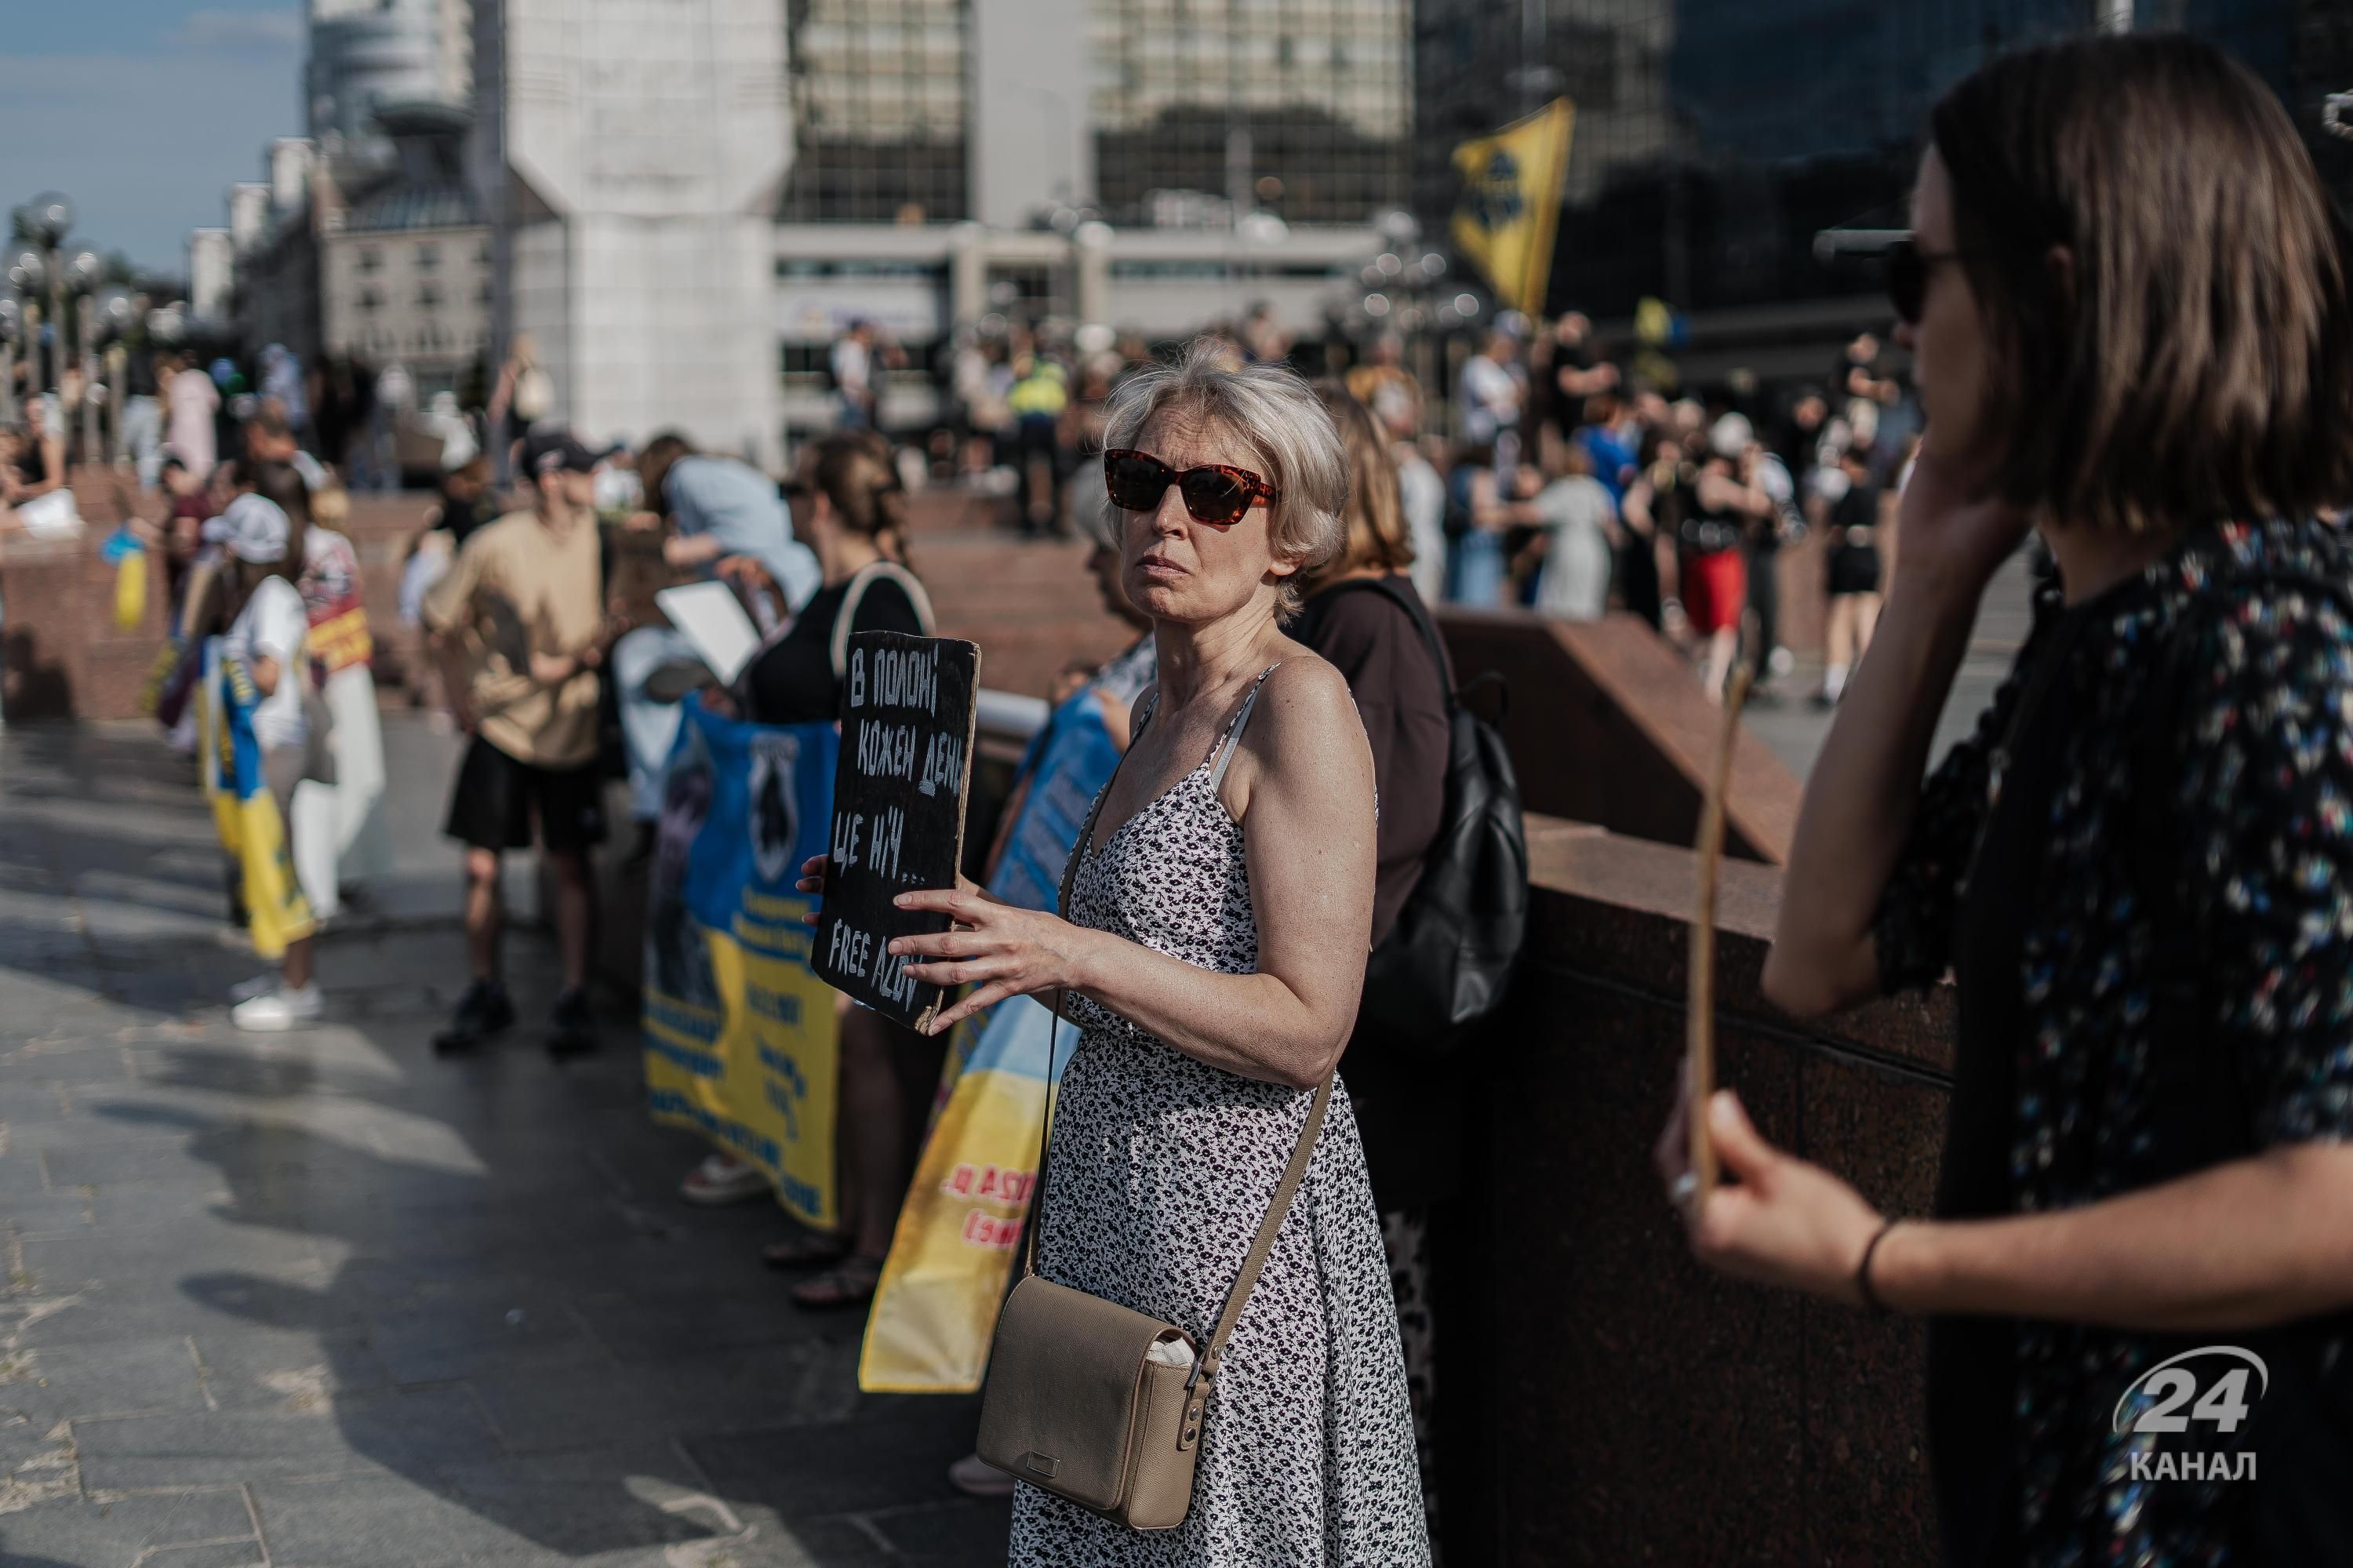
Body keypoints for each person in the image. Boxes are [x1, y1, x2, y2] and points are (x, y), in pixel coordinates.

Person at [1658, 35, 2353, 1567]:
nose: (1897, 323)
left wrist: (1884, 1259)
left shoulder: (2267, 643)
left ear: (2050, 298)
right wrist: (1925, 586)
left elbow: (2339, 1193)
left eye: (1919, 274)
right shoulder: (2096, 640)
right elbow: (1820, 954)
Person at [827, 338, 1428, 1562]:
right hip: (1115, 1214)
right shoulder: (1160, 705)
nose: (1168, 516)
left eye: (1216, 493)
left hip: (1236, 1238)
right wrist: (970, 928)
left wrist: (1071, 954)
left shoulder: (1299, 703)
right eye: (1140, 480)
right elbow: (1128, 967)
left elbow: (1310, 1025)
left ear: (1290, 536)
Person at [1289, 382, 1457, 1542]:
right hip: (1366, 1045)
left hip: (1368, 1053)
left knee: (1376, 1363)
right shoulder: (1369, 614)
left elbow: (1371, 843)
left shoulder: (1362, 623)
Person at [722, 428, 937, 1304]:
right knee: (831, 1049)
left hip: (863, 864)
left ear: (817, 503)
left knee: (861, 1048)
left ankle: (872, 1241)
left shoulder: (881, 592)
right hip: (815, 859)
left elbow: (905, 733)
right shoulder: (829, 592)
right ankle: (840, 1216)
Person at [420, 426, 620, 1058]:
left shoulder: (604, 537)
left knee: (571, 863)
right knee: (482, 865)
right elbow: (436, 619)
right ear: (552, 479)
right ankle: (487, 988)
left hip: (571, 728)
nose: (596, 479)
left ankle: (574, 994)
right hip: (503, 725)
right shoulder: (495, 544)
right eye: (584, 470)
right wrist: (457, 695)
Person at [613, 434, 823, 832]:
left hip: (776, 603)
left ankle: (654, 799)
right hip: (771, 604)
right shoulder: (710, 474)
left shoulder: (685, 474)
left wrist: (681, 550)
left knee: (635, 656)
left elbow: (756, 529)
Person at [216, 493, 324, 1032]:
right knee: (272, 859)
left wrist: (229, 670)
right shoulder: (267, 594)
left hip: (274, 745)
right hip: (269, 744)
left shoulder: (272, 597)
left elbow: (268, 675)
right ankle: (287, 975)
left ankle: (299, 986)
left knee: (281, 863)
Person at [1678, 420, 1774, 700]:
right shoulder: (1713, 480)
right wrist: (1754, 470)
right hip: (1718, 560)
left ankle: (1693, 681)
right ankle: (1713, 687)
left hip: (1699, 559)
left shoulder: (1698, 476)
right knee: (1724, 626)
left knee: (1703, 628)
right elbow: (1758, 504)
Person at [1816, 442, 1883, 706]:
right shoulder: (1874, 487)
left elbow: (1835, 528)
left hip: (1848, 557)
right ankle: (1868, 681)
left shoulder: (1848, 490)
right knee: (1867, 618)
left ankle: (1834, 683)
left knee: (1840, 618)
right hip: (1869, 555)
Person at [1532, 442, 1617, 622]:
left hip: (1568, 548)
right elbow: (1610, 525)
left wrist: (1502, 513)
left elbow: (1535, 513)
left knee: (1560, 606)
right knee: (1587, 606)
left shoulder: (1563, 488)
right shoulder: (1598, 490)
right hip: (1594, 550)